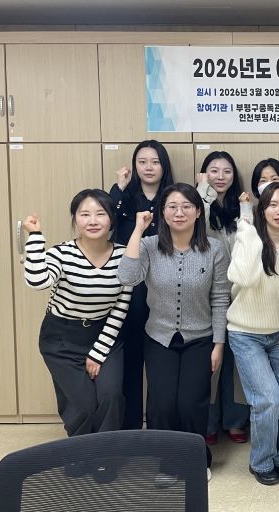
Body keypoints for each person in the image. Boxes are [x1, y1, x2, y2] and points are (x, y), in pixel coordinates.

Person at [118, 183, 230, 482]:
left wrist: (219, 343)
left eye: (186, 206)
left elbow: (220, 297)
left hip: (201, 338)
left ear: (198, 212)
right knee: (163, 403)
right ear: (163, 213)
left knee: (191, 403)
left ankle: (196, 460)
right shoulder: (149, 245)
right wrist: (137, 231)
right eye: (172, 207)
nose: (179, 212)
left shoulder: (215, 249)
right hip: (159, 337)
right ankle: (168, 463)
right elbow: (127, 276)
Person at [23, 189, 132, 436]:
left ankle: (106, 451)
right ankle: (81, 450)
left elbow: (121, 307)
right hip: (61, 337)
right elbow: (37, 281)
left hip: (106, 334)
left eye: (100, 214)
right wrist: (35, 237)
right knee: (83, 405)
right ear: (75, 219)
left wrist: (98, 352)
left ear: (111, 219)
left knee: (111, 396)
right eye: (84, 214)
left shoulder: (124, 255)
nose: (93, 221)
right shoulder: (62, 253)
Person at [227, 182, 279, 486]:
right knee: (268, 400)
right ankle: (261, 461)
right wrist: (247, 230)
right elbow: (241, 276)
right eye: (273, 204)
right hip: (245, 334)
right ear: (262, 209)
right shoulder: (248, 238)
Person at [109, 140, 174, 429]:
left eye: (155, 161)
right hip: (131, 289)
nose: (149, 167)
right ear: (134, 166)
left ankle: (161, 429)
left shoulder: (172, 198)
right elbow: (107, 223)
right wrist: (118, 188)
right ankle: (131, 427)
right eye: (142, 162)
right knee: (131, 360)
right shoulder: (125, 198)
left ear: (164, 166)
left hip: (165, 287)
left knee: (161, 364)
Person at [196, 150, 250, 445]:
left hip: (240, 295)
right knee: (211, 361)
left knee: (237, 362)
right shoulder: (196, 204)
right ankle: (209, 421)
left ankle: (235, 419)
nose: (220, 176)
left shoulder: (242, 207)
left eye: (226, 171)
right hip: (207, 295)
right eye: (213, 170)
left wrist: (246, 210)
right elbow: (197, 232)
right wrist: (202, 193)